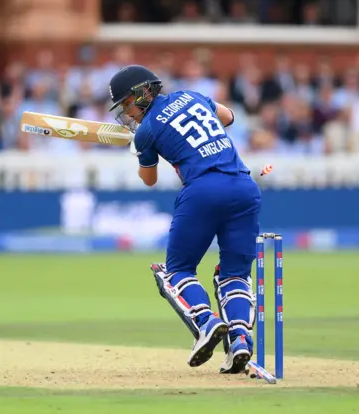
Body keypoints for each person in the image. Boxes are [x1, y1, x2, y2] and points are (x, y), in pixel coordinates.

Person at [108, 65, 261, 374]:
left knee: (175, 271)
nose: (127, 111)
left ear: (144, 92)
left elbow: (149, 180)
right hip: (245, 188)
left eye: (127, 103)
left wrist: (139, 149)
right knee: (235, 275)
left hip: (203, 191)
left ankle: (206, 322)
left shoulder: (147, 130)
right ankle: (240, 339)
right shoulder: (191, 95)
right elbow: (229, 117)